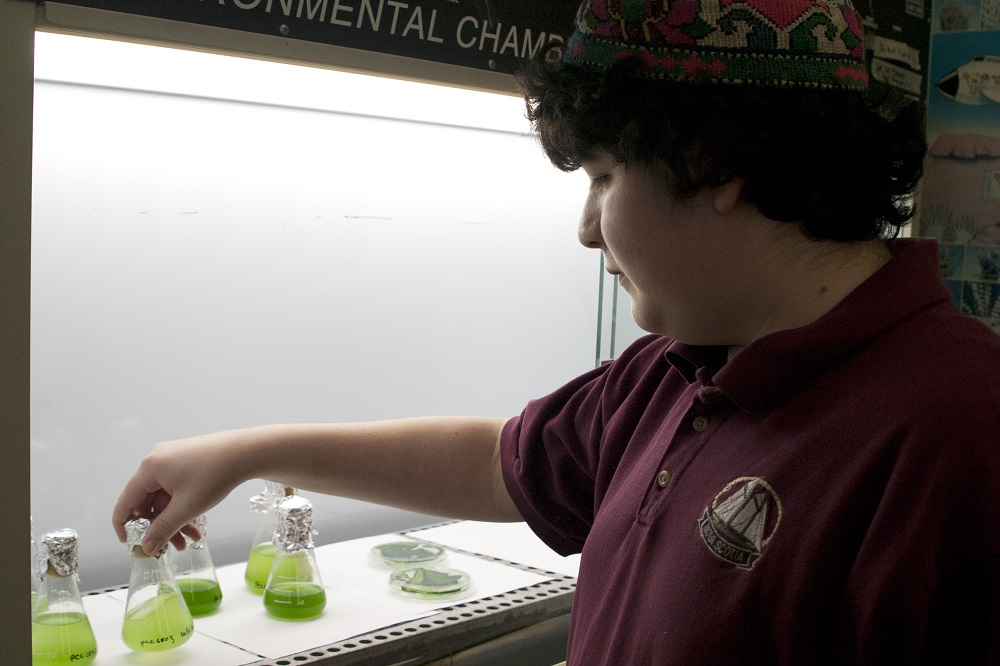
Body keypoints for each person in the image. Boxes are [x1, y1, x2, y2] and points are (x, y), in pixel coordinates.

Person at [113, 0, 1000, 663]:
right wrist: (244, 452)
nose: (587, 229)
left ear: (712, 161)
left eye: (605, 176)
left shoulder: (957, 431)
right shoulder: (678, 371)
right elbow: (497, 461)